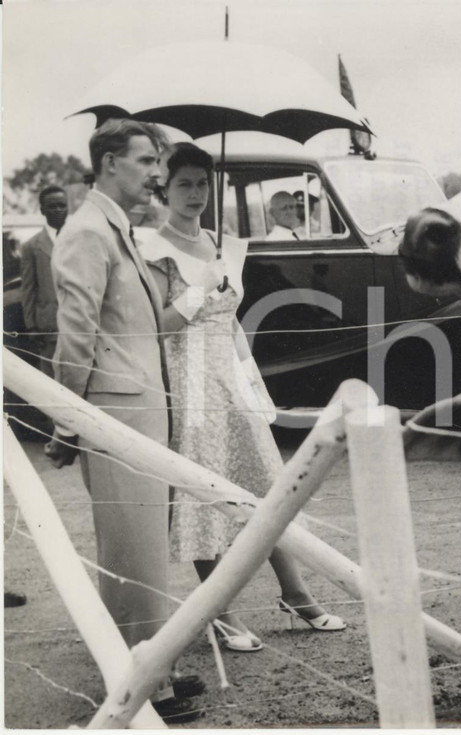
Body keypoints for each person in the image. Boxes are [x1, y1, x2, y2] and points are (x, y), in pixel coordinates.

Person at [140, 143, 346, 655]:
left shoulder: (220, 242)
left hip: (229, 377)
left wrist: (251, 379)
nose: (195, 194)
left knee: (265, 489)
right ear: (165, 188)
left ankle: (296, 596)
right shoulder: (152, 247)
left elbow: (231, 320)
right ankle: (220, 613)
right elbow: (157, 325)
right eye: (184, 184)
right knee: (204, 496)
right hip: (187, 383)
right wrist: (198, 288)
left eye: (202, 184)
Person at [46, 119, 202, 722]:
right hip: (115, 416)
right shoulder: (88, 231)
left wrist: (194, 300)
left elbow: (144, 327)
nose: (156, 176)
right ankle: (142, 687)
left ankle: (149, 670)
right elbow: (76, 336)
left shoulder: (119, 230)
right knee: (131, 551)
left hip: (142, 412)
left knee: (142, 551)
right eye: (144, 162)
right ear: (109, 162)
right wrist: (68, 421)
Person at [20, 185, 68, 379]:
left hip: (78, 323)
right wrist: (31, 326)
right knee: (50, 377)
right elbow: (29, 289)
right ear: (42, 210)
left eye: (62, 206)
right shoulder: (32, 246)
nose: (58, 210)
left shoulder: (79, 239)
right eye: (52, 206)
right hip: (49, 325)